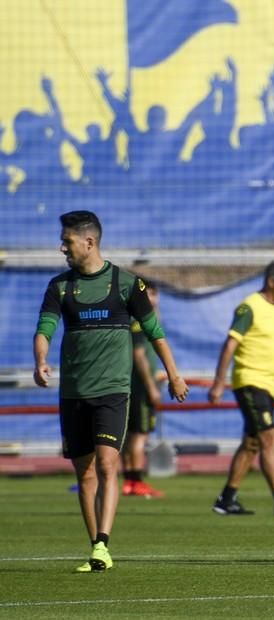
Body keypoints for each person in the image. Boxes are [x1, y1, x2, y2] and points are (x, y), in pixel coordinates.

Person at [33, 211, 189, 572]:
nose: (62, 247)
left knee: (107, 463)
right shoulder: (60, 286)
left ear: (89, 242)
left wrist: (174, 375)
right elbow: (45, 328)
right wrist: (40, 359)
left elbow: (155, 332)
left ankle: (103, 544)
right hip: (73, 393)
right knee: (84, 473)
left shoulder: (126, 284)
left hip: (113, 391)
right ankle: (94, 545)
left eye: (67, 241)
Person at [209, 260, 274, 516]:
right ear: (272, 281)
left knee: (252, 444)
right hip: (250, 382)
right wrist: (219, 383)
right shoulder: (249, 307)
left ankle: (226, 499)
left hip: (268, 385)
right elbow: (230, 345)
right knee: (269, 438)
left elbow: (273, 355)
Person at [122, 279, 167, 498]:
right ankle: (137, 481)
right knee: (140, 436)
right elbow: (138, 354)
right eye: (147, 294)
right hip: (140, 387)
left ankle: (129, 481)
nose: (152, 298)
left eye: (155, 294)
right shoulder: (140, 320)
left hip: (130, 386)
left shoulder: (137, 319)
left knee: (130, 436)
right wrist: (151, 387)